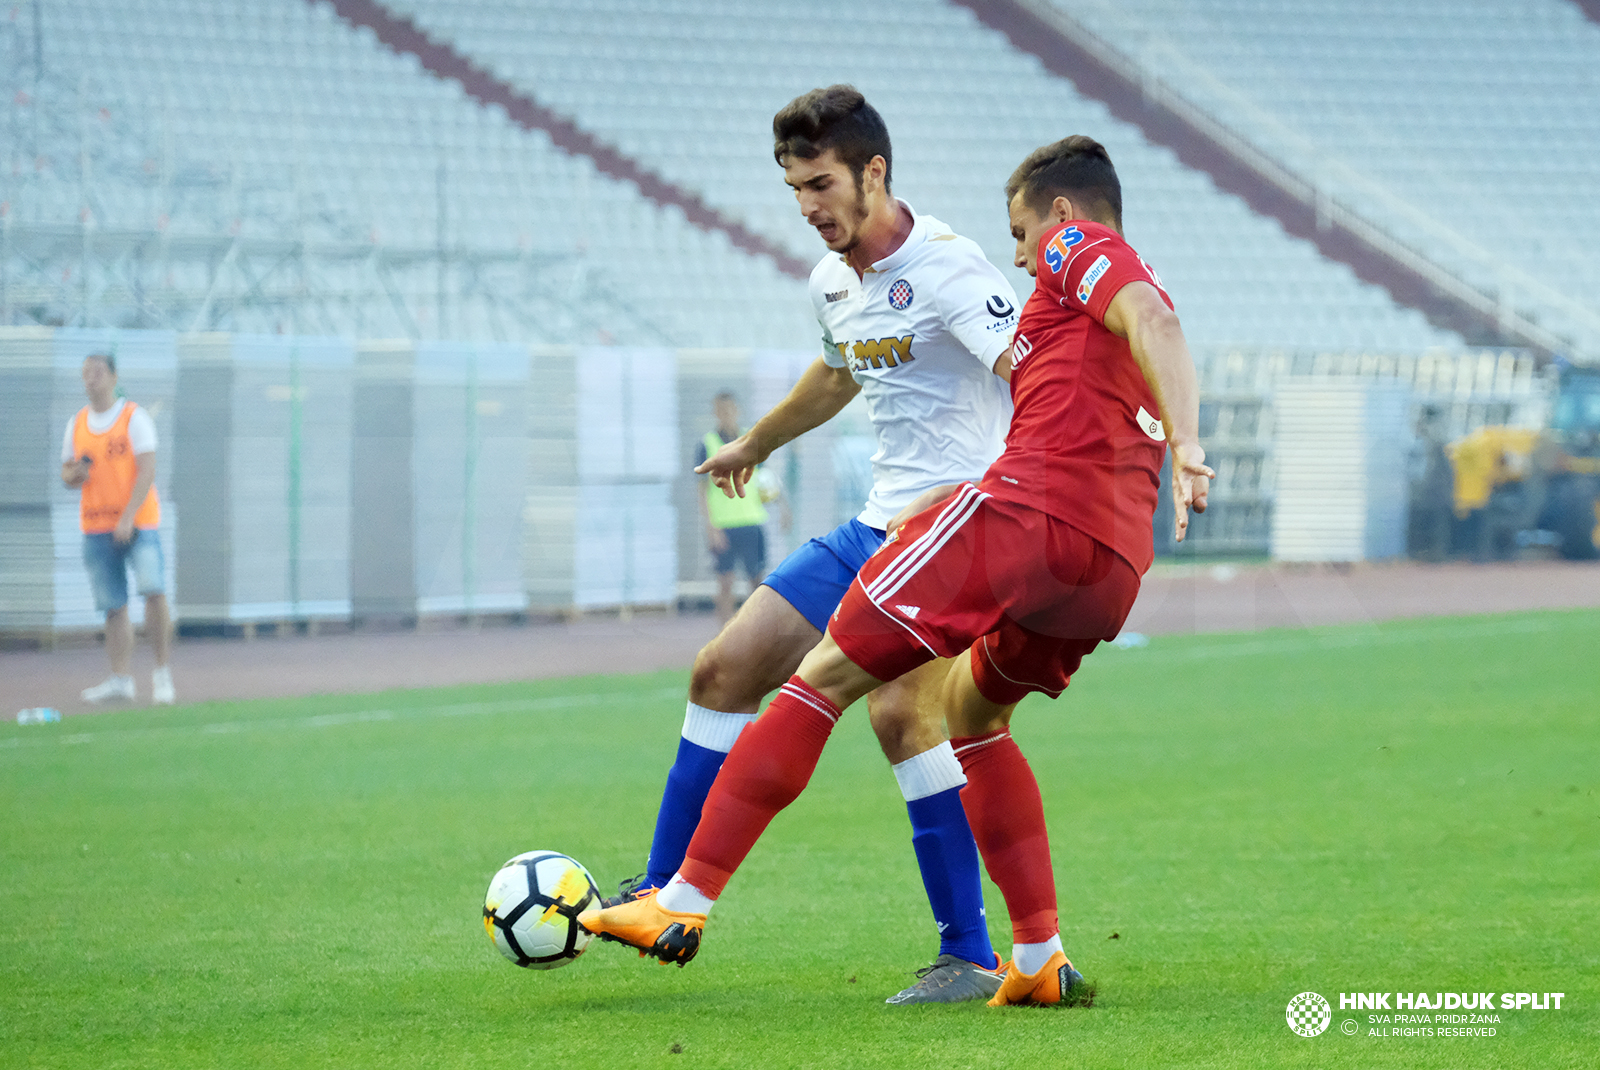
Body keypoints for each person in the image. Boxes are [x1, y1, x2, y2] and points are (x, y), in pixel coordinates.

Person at [580, 135, 1214, 1008]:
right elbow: (872, 369)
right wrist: (759, 441)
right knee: (971, 713)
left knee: (827, 679)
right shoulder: (848, 285)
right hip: (1107, 562)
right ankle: (1038, 956)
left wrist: (1187, 443)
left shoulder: (1069, 253)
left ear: (1060, 216)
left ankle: (683, 901)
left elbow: (1144, 325)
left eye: (1023, 232)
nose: (1022, 254)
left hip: (1015, 514)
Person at [605, 85, 1023, 1005]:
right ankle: (659, 890)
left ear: (875, 172)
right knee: (723, 668)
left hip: (953, 533)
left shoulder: (952, 269)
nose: (809, 208)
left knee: (898, 716)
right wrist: (757, 441)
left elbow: (1032, 378)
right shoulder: (832, 279)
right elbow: (839, 371)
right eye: (795, 189)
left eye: (822, 184)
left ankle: (971, 954)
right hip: (875, 524)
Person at [60, 352, 176, 706]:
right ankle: (120, 678)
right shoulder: (77, 423)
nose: (90, 379)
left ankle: (161, 673)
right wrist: (74, 474)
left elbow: (146, 470)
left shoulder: (133, 418)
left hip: (138, 523)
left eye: (97, 372)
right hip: (96, 525)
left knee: (153, 591)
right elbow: (66, 473)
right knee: (113, 605)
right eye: (85, 373)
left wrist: (128, 515)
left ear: (112, 377)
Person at [695, 392, 787, 624]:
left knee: (757, 582)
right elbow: (701, 490)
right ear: (716, 412)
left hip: (752, 521)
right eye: (721, 410)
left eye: (730, 409)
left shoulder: (750, 440)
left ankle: (754, 632)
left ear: (737, 410)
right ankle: (723, 636)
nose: (726, 414)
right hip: (724, 524)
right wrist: (710, 528)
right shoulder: (707, 445)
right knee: (725, 583)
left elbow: (766, 478)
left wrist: (784, 505)